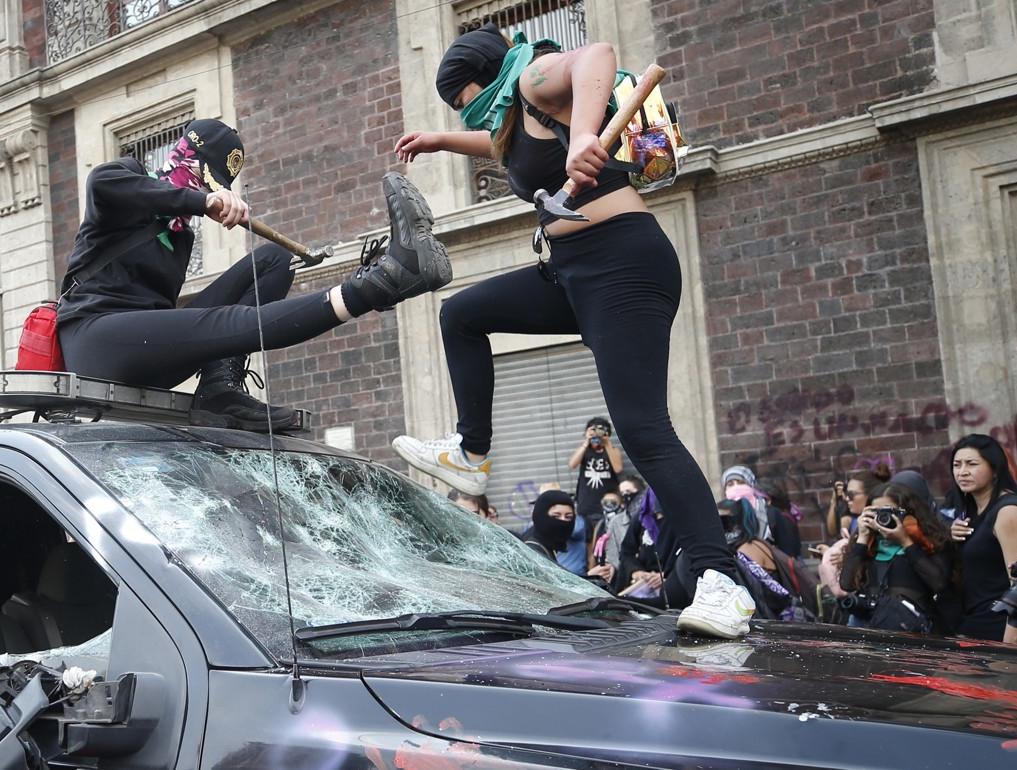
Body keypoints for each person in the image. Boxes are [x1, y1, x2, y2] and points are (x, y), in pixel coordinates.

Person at [388, 25, 753, 638]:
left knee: (642, 427)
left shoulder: (533, 75)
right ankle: (471, 454)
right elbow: (497, 143)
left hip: (621, 264)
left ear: (483, 80)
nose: (466, 113)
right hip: (572, 273)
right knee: (462, 314)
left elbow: (598, 57)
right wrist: (439, 140)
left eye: (462, 101)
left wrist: (585, 133)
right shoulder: (511, 117)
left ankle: (723, 582)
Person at [56, 119, 451, 431]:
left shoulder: (180, 239)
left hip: (146, 349)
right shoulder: (124, 178)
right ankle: (378, 284)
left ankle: (218, 389)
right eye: (204, 179)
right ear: (185, 158)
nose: (206, 192)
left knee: (274, 260)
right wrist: (201, 199)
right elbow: (103, 183)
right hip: (94, 340)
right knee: (224, 322)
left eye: (214, 186)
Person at [948, 434, 1017, 644]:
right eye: (957, 465)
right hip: (980, 628)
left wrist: (1010, 647)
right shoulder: (974, 511)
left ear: (994, 469)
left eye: (972, 464)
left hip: (1010, 636)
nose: (962, 472)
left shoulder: (1009, 511)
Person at [838, 483, 956, 636]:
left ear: (907, 512)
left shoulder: (929, 540)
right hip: (867, 627)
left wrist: (906, 542)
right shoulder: (869, 542)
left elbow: (939, 584)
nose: (882, 518)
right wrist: (862, 538)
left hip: (911, 630)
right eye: (876, 512)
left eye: (888, 511)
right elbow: (846, 584)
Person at [522, 490, 613, 586]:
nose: (563, 522)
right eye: (556, 516)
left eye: (568, 517)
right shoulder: (534, 552)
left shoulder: (548, 549)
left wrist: (591, 577)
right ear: (540, 516)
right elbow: (553, 590)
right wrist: (590, 577)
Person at [568, 417, 623, 530]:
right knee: (587, 536)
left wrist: (607, 443)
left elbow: (618, 469)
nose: (596, 436)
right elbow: (572, 464)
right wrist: (586, 441)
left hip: (607, 503)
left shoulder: (613, 450)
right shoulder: (584, 450)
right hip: (586, 502)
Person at [829, 465, 892, 537]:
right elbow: (833, 531)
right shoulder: (853, 520)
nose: (847, 498)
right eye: (847, 493)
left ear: (870, 495)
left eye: (851, 494)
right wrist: (834, 501)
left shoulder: (883, 523)